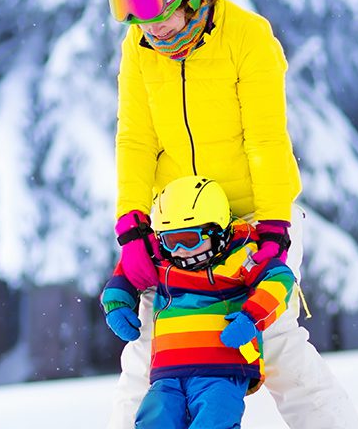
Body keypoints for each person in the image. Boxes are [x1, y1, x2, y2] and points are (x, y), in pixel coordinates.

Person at [106, 0, 358, 428]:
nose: (147, 30)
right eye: (129, 13)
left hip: (252, 218)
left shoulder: (247, 37)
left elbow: (265, 141)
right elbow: (135, 142)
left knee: (277, 342)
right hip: (178, 227)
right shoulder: (139, 48)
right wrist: (132, 229)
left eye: (155, 13)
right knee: (148, 353)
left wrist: (272, 228)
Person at [102, 176, 296, 428]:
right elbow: (128, 271)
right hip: (168, 374)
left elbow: (279, 279)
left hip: (222, 369)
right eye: (172, 241)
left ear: (216, 232)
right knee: (153, 420)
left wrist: (252, 317)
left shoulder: (241, 256)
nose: (180, 250)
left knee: (214, 421)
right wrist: (116, 304)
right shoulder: (162, 258)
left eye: (190, 239)